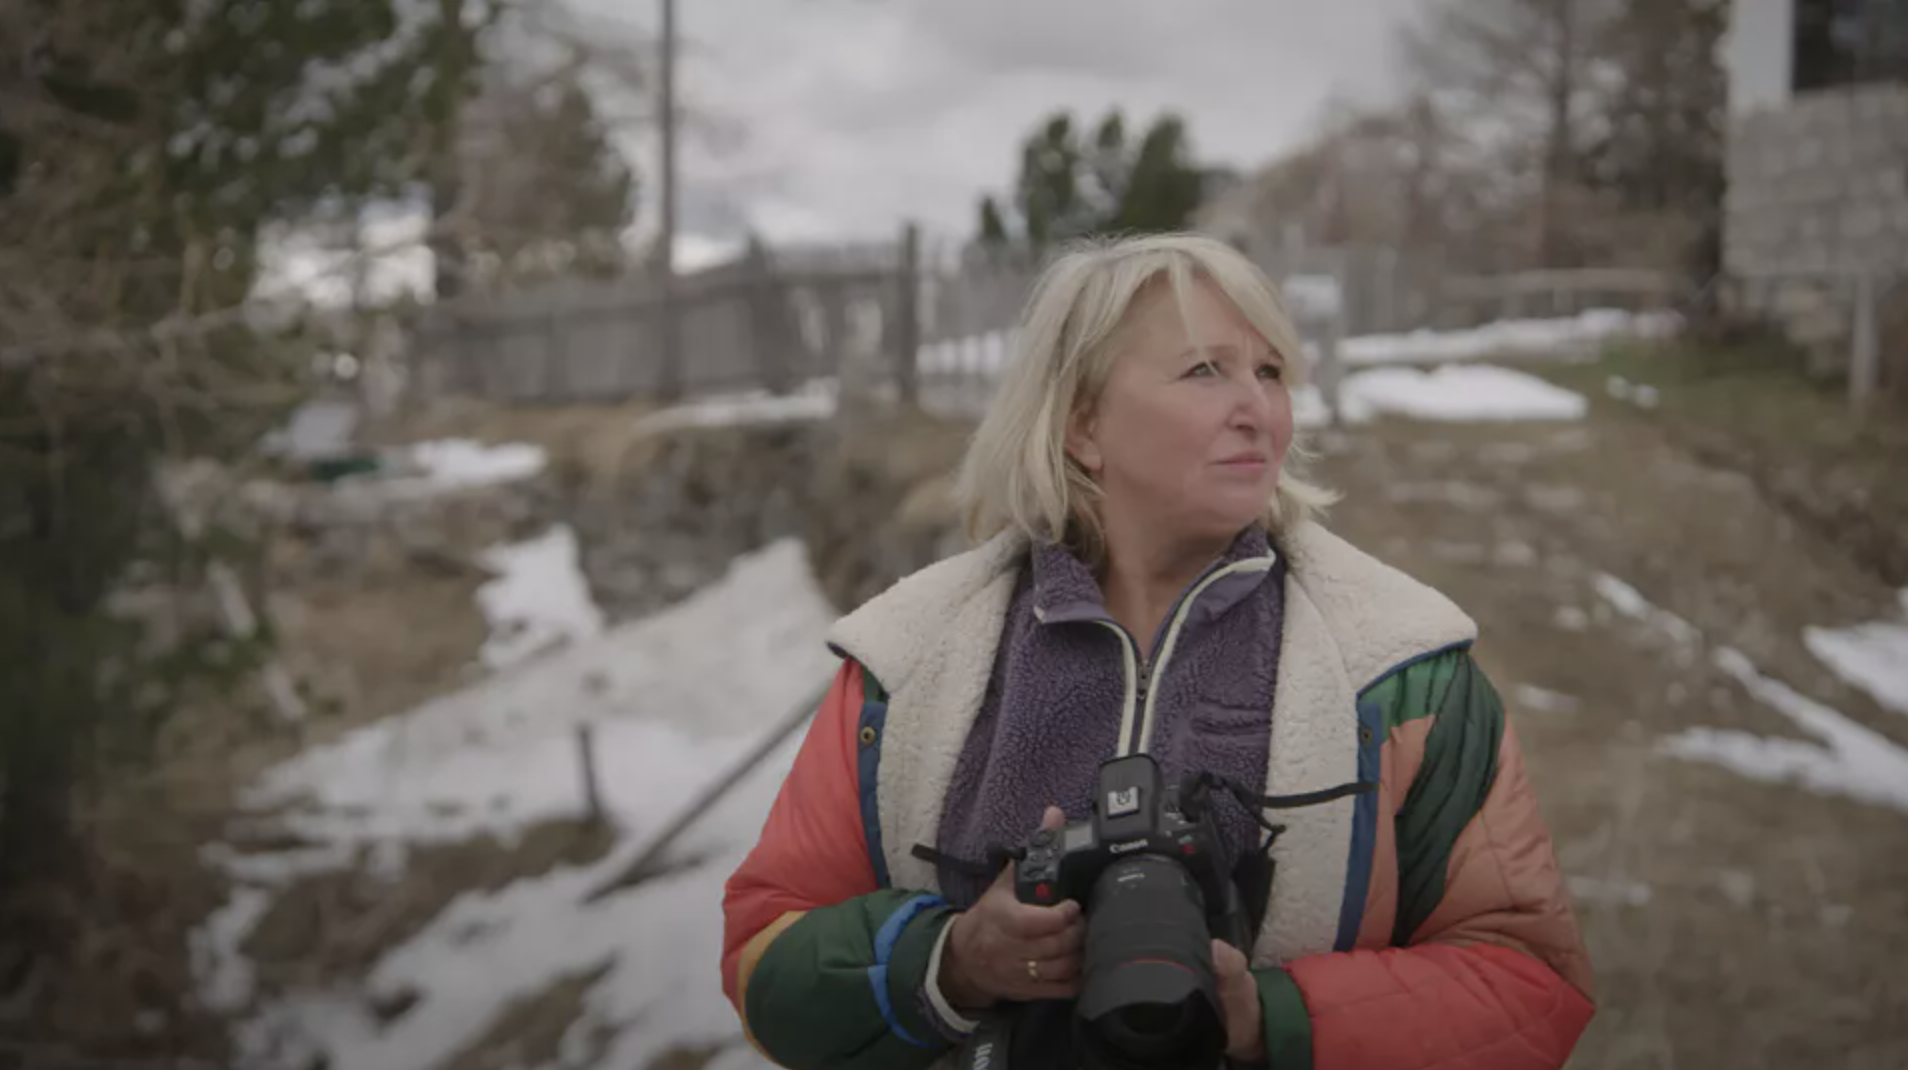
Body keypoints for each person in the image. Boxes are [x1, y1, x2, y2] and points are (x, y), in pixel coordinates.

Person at [720, 233, 1594, 1069]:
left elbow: (1527, 983)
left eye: (1272, 372)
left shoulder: (1404, 671)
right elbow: (766, 956)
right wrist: (950, 962)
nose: (1258, 409)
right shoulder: (907, 661)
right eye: (1206, 370)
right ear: (1082, 423)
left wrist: (1268, 1019)